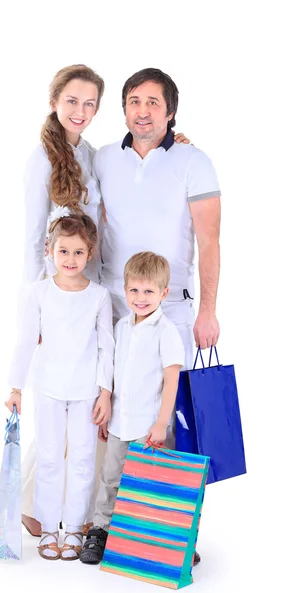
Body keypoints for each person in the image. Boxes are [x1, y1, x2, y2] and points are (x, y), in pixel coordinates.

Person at [20, 64, 190, 537]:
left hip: (107, 296)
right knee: (68, 399)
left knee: (102, 403)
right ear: (55, 101)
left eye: (89, 103)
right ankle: (37, 505)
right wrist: (36, 308)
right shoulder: (43, 159)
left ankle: (98, 513)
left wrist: (178, 143)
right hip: (62, 301)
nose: (80, 111)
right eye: (72, 101)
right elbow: (33, 238)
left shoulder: (94, 155)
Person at [82, 67, 221, 566]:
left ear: (170, 112)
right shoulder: (104, 160)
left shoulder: (193, 160)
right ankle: (105, 522)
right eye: (134, 101)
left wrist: (207, 311)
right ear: (124, 109)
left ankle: (173, 527)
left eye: (153, 103)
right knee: (113, 421)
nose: (142, 111)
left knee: (171, 423)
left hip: (176, 310)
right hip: (114, 309)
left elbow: (209, 241)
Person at [6, 211, 115, 560]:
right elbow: (25, 341)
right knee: (51, 457)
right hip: (49, 387)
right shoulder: (37, 293)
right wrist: (15, 387)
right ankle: (49, 528)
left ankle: (74, 529)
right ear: (50, 250)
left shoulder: (98, 296)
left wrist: (105, 391)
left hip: (86, 392)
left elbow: (106, 348)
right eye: (63, 251)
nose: (70, 259)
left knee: (83, 459)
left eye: (78, 252)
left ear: (91, 252)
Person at [80, 252, 187, 565]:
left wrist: (161, 423)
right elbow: (116, 374)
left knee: (147, 484)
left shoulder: (165, 332)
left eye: (149, 292)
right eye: (134, 291)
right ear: (124, 290)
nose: (141, 298)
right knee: (110, 478)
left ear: (163, 294)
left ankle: (157, 538)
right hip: (119, 424)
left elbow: (172, 382)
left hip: (147, 426)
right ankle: (101, 530)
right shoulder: (122, 327)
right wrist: (108, 413)